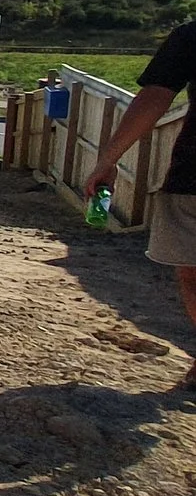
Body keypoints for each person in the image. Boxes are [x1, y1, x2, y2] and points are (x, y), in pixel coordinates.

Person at [84, 20, 196, 390]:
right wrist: (108, 159)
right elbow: (155, 96)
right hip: (193, 180)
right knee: (191, 274)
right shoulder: (191, 36)